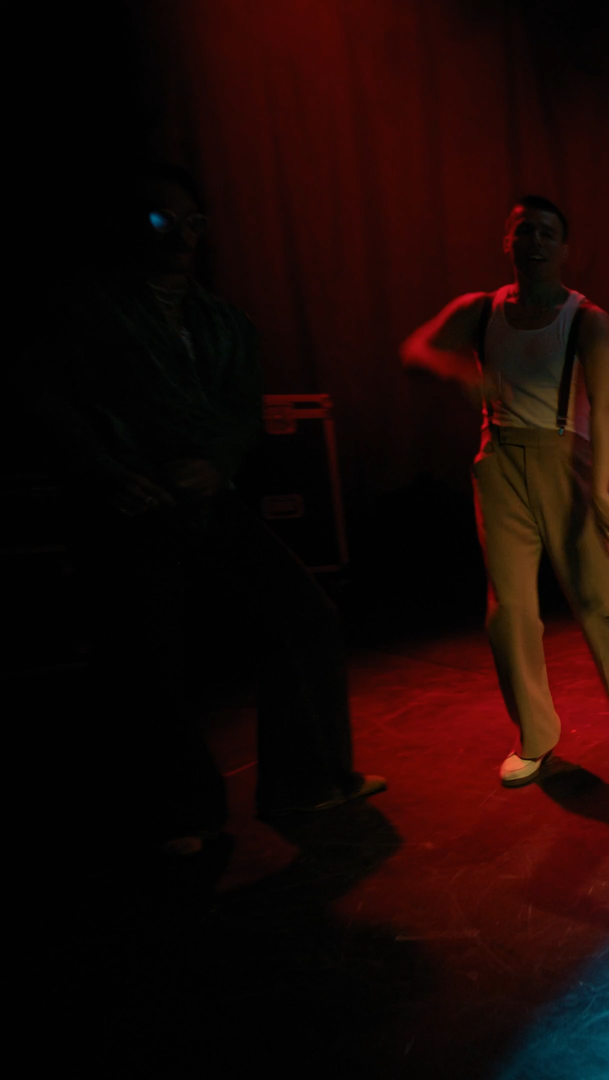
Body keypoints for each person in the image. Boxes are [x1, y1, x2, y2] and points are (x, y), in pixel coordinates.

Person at [36, 163, 383, 852]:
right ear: (131, 225)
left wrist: (215, 465)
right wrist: (107, 474)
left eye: (192, 221)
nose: (181, 234)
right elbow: (47, 399)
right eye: (162, 219)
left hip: (204, 498)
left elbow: (241, 410)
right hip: (129, 505)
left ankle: (305, 780)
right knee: (149, 655)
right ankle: (183, 814)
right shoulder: (87, 307)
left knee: (306, 617)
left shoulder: (223, 320)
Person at [401, 195, 609, 787]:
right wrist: (456, 371)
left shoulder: (586, 317)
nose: (535, 241)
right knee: (510, 610)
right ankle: (535, 735)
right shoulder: (481, 309)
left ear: (564, 248)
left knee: (600, 591)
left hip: (567, 458)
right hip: (499, 462)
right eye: (524, 231)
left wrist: (602, 489)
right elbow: (415, 349)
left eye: (546, 232)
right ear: (507, 242)